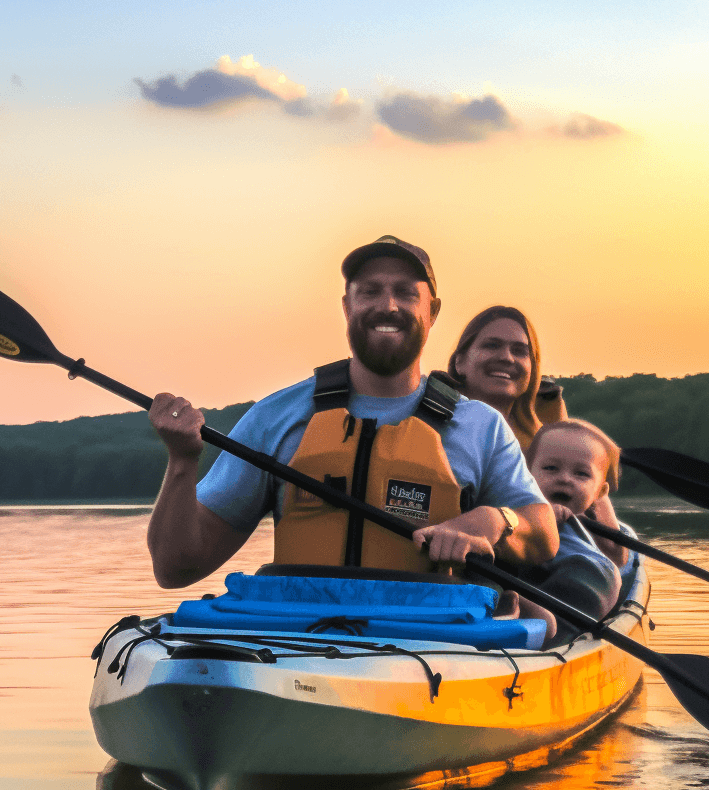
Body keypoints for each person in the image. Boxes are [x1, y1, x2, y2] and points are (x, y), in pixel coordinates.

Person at [145, 235, 558, 591]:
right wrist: (182, 461)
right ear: (347, 307)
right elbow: (175, 568)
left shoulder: (480, 427)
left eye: (406, 292)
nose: (388, 305)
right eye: (370, 291)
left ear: (432, 312)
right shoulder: (276, 417)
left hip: (430, 649)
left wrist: (496, 518)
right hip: (300, 645)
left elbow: (544, 532)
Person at [523, 418, 631, 625]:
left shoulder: (590, 530)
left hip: (564, 594)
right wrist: (539, 514)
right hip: (517, 578)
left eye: (581, 474)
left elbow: (618, 557)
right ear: (525, 473)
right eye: (551, 468)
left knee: (600, 573)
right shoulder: (512, 507)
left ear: (600, 491)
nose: (564, 478)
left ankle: (555, 625)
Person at [445, 306, 566, 453]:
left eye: (519, 351)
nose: (506, 358)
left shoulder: (550, 451)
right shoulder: (427, 426)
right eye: (492, 345)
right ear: (460, 362)